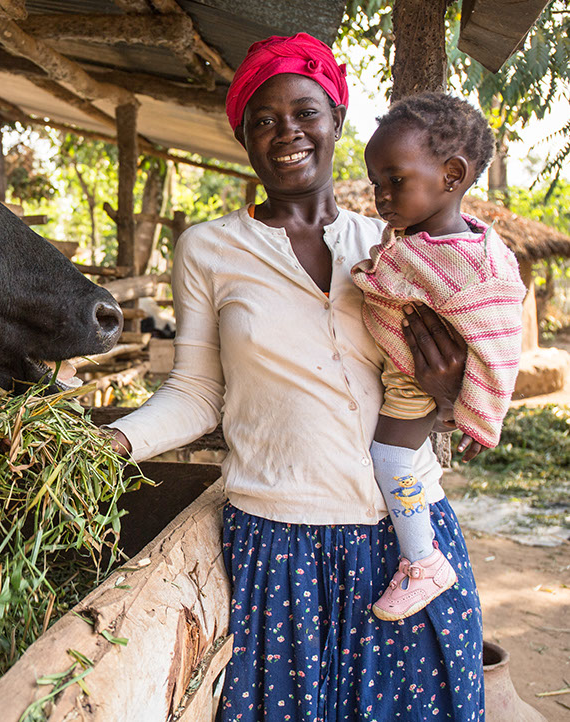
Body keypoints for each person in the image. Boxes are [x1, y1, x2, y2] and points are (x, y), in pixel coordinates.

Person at [103, 34, 485, 720]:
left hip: (406, 543)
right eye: (263, 119)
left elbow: (450, 382)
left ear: (336, 119)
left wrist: (450, 393)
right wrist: (109, 444)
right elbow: (195, 394)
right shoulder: (209, 249)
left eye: (305, 111)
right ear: (242, 136)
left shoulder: (394, 244)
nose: (286, 133)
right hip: (281, 547)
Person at [353, 93, 527, 622]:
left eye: (394, 180)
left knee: (392, 458)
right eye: (375, 183)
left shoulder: (466, 262)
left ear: (452, 174)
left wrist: (476, 410)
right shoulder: (428, 241)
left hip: (412, 381)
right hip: (411, 372)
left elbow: (497, 342)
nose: (381, 195)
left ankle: (424, 561)